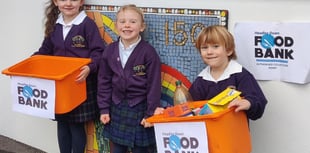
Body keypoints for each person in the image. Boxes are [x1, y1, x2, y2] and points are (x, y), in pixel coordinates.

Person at [32, 0, 105, 153]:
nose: (69, 3)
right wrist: (32, 61)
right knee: (62, 124)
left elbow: (98, 53)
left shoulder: (87, 24)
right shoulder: (54, 25)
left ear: (81, 2)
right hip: (60, 85)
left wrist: (90, 67)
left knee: (76, 125)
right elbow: (45, 50)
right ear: (56, 2)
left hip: (80, 84)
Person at [97, 4, 161, 153]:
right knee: (117, 149)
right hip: (117, 108)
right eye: (122, 21)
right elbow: (104, 82)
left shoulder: (149, 53)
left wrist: (150, 114)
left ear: (142, 27)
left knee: (141, 150)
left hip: (141, 109)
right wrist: (104, 109)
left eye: (133, 22)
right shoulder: (110, 51)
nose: (127, 25)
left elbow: (154, 86)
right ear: (116, 25)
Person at [189, 25, 267, 120]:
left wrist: (249, 103)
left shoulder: (241, 75)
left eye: (216, 46)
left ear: (229, 50)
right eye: (204, 48)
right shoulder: (200, 81)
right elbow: (190, 108)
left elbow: (259, 102)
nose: (209, 52)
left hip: (234, 132)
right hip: (210, 133)